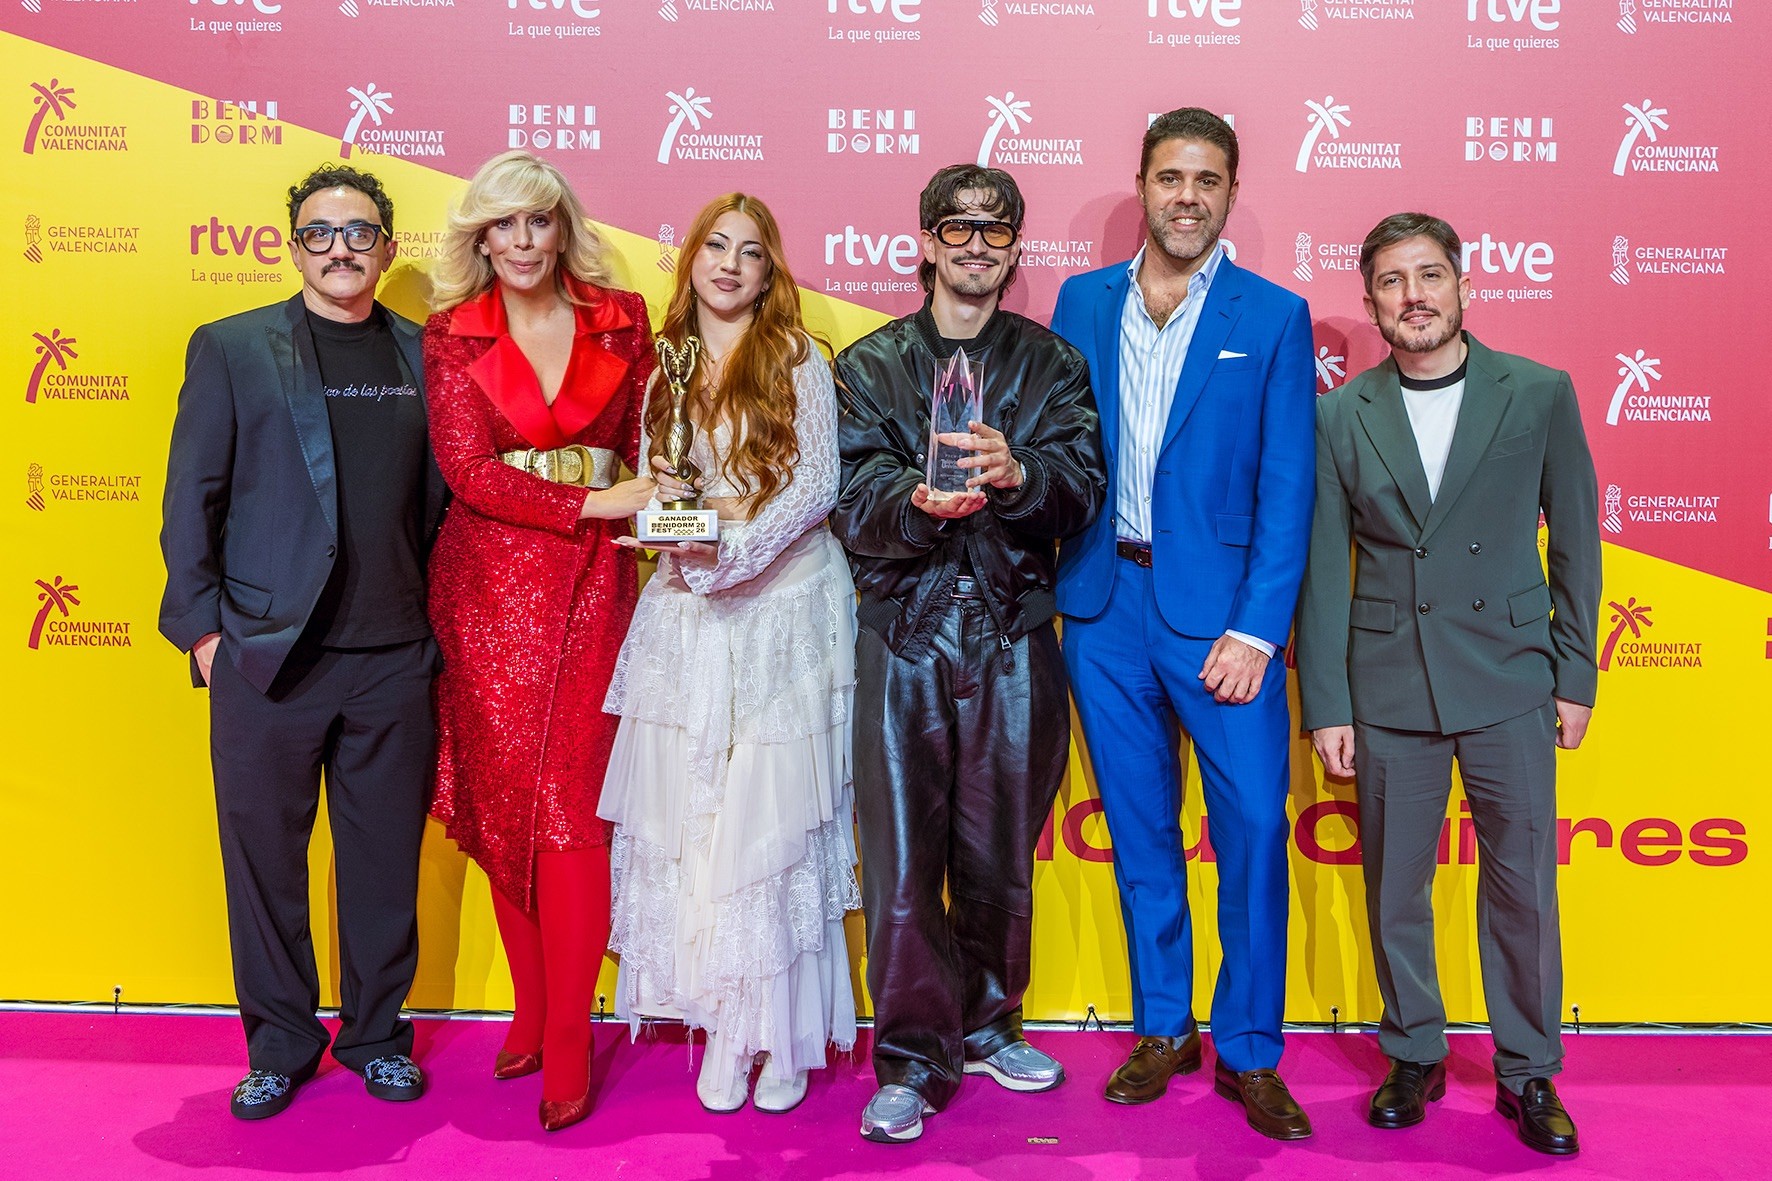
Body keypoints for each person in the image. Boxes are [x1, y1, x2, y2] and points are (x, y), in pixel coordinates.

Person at [1295, 212, 1600, 1156]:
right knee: (1396, 888)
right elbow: (1324, 567)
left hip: (1512, 678)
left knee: (1523, 888)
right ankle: (1414, 1050)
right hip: (1390, 685)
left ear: (1465, 284)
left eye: (1430, 275)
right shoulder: (1341, 414)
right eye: (1392, 281)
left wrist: (1576, 673)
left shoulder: (1539, 392)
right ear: (1371, 301)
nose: (1414, 295)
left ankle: (1529, 1069)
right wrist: (1329, 702)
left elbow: (1576, 541)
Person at [1050, 107, 1317, 1140]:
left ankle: (1249, 1046)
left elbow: (1288, 488)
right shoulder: (1081, 302)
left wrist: (1257, 629)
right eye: (1170, 177)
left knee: (1252, 828)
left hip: (1223, 626)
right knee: (1139, 831)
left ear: (1231, 193)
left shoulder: (1274, 315)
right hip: (1103, 605)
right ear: (1142, 185)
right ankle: (1163, 1025)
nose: (1187, 197)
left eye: (1207, 180)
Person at [159, 163, 445, 1120]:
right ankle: (279, 1043)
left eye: (359, 232)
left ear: (387, 248)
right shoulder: (233, 348)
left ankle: (377, 1036)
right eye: (320, 232)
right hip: (265, 659)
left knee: (382, 867)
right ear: (294, 246)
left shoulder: (425, 356)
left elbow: (443, 505)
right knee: (264, 870)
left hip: (394, 657)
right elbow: (191, 499)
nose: (339, 249)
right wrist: (204, 632)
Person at [832, 163, 1106, 1144]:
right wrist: (913, 502)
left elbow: (1082, 490)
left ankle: (989, 1023)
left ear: (1015, 246)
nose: (976, 244)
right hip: (903, 630)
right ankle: (911, 1057)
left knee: (999, 855)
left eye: (995, 229)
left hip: (1012, 633)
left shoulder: (1052, 364)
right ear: (927, 242)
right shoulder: (867, 365)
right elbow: (847, 502)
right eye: (959, 227)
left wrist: (1019, 473)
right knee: (903, 862)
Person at [597, 193, 860, 1117]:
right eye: (716, 245)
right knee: (699, 823)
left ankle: (777, 1033)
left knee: (772, 825)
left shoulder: (797, 358)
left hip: (785, 611)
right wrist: (677, 539)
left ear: (768, 271)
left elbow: (817, 483)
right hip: (691, 615)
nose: (730, 264)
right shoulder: (664, 363)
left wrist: (735, 555)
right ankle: (720, 1027)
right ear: (692, 259)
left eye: (751, 252)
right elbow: (657, 480)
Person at [422, 150, 657, 1132]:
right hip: (486, 592)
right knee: (505, 800)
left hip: (597, 585)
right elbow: (468, 470)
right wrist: (591, 501)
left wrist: (657, 511)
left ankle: (567, 1034)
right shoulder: (451, 331)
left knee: (572, 810)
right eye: (502, 224)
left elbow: (648, 445)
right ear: (480, 237)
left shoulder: (622, 317)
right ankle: (528, 1006)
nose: (521, 241)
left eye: (538, 221)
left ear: (563, 228)